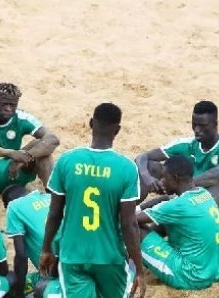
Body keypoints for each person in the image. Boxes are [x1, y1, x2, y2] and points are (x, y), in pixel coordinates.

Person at [40, 103, 145, 298]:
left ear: (90, 124)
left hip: (72, 255)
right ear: (118, 130)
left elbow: (54, 213)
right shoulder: (126, 167)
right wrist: (139, 268)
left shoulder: (67, 161)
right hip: (109, 257)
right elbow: (129, 224)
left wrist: (46, 248)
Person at [135, 100, 219, 227]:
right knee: (151, 167)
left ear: (215, 124)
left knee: (213, 184)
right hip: (188, 193)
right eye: (194, 124)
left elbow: (218, 174)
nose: (197, 130)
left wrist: (180, 186)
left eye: (202, 126)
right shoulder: (187, 144)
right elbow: (142, 157)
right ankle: (130, 210)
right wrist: (147, 177)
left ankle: (208, 225)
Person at [136, 156, 219, 290]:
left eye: (164, 178)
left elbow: (130, 220)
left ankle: (125, 263)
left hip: (189, 276)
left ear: (175, 178)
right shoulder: (203, 193)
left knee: (135, 230)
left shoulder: (178, 206)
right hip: (214, 271)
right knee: (166, 223)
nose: (161, 182)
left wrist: (131, 206)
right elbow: (167, 201)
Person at [0, 83, 59, 195]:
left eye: (13, 105)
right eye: (4, 104)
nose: (8, 109)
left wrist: (25, 157)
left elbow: (53, 139)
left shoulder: (23, 117)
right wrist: (9, 153)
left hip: (15, 172)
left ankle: (54, 198)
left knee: (41, 146)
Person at [2, 185, 62, 298]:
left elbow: (21, 256)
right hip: (84, 263)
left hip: (62, 275)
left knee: (12, 286)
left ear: (6, 205)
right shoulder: (49, 197)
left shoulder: (14, 207)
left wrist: (18, 294)